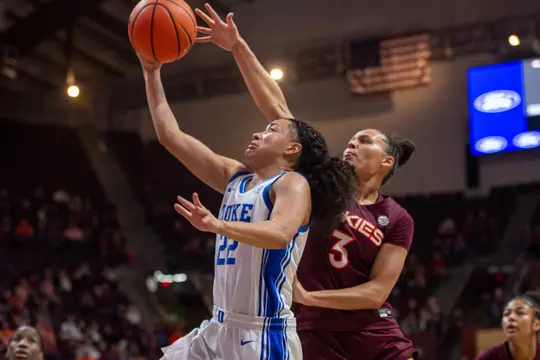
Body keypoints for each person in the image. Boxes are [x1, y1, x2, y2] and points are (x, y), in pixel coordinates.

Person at [196, 4, 418, 359]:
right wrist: (238, 46)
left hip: (371, 330)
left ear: (387, 160)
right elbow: (279, 109)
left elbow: (377, 293)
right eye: (351, 139)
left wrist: (311, 296)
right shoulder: (317, 184)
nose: (352, 143)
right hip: (312, 331)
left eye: (364, 140)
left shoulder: (397, 218)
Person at [138, 18, 356, 360]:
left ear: (292, 150)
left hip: (262, 334)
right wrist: (151, 72)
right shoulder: (235, 178)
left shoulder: (292, 184)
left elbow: (281, 233)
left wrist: (217, 225)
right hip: (217, 327)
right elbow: (171, 137)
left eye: (269, 130)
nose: (257, 133)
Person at [476, 292, 540, 360]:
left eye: (520, 312)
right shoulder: (488, 357)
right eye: (506, 314)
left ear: (536, 325)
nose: (511, 317)